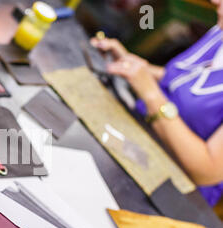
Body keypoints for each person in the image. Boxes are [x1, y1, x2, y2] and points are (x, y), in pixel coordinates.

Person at [90, 0, 223, 210]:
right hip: (140, 140)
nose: (215, 2)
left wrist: (151, 94)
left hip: (173, 190)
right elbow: (184, 82)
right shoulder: (220, 31)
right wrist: (137, 67)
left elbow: (207, 170)